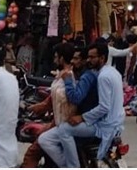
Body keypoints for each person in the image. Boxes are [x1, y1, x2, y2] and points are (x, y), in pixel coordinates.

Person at [54, 39, 125, 169]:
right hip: (117, 124)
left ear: (102, 58)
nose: (88, 60)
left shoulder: (102, 77)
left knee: (64, 130)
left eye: (92, 57)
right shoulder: (114, 73)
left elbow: (104, 107)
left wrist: (81, 117)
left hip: (104, 126)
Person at [38, 46, 99, 167]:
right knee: (44, 139)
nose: (73, 62)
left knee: (64, 130)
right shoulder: (77, 75)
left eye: (76, 59)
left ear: (83, 60)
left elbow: (75, 98)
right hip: (79, 119)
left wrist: (67, 81)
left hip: (89, 122)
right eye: (72, 58)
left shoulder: (85, 77)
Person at [30, 42, 77, 168]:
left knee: (39, 145)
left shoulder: (69, 76)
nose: (55, 59)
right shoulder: (63, 75)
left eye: (56, 56)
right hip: (58, 120)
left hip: (64, 122)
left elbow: (68, 98)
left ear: (62, 58)